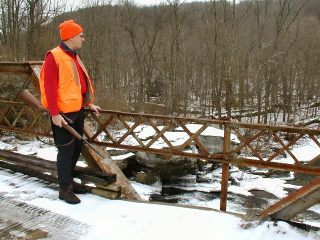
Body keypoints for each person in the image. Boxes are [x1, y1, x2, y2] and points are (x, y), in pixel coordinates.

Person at [39, 20, 100, 204]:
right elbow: (49, 87)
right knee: (65, 151)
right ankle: (64, 189)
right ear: (71, 37)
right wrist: (54, 113)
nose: (83, 38)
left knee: (76, 148)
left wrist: (89, 103)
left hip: (78, 109)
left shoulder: (74, 55)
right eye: (80, 35)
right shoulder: (54, 56)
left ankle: (69, 182)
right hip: (63, 113)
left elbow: (77, 84)